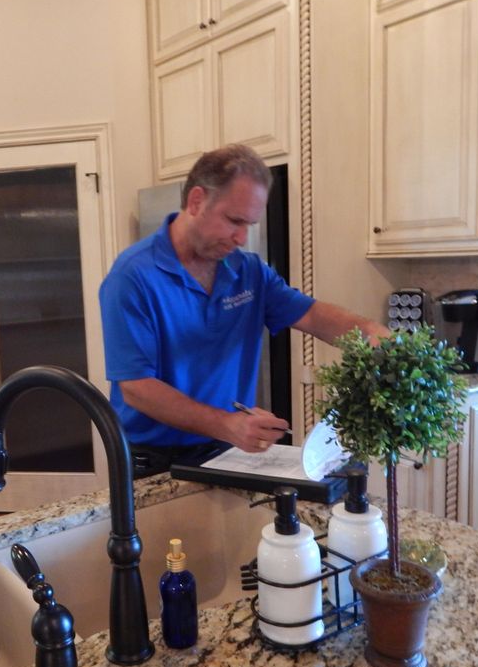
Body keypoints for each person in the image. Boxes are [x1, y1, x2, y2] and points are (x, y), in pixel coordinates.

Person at [100, 144, 389, 477]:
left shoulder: (248, 270)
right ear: (196, 201)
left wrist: (371, 333)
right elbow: (137, 389)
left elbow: (311, 315)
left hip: (225, 452)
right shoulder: (133, 277)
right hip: (152, 463)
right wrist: (228, 424)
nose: (241, 237)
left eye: (249, 225)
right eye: (233, 220)